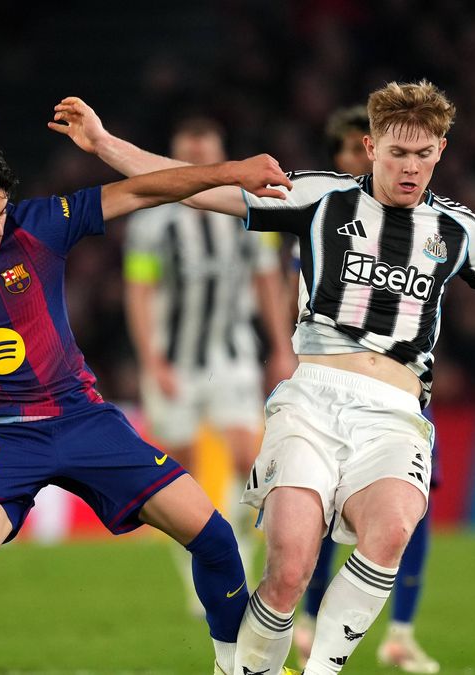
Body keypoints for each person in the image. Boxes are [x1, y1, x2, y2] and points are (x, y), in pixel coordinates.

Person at [48, 79, 475, 675]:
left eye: (423, 154)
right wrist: (106, 143)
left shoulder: (458, 229)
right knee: (290, 568)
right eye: (397, 152)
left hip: (397, 410)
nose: (410, 167)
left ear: (441, 151)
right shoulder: (321, 197)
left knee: (393, 528)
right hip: (314, 399)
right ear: (371, 147)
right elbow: (201, 189)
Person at [0, 133, 292, 675]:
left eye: (0, 213)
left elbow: (145, 190)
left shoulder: (39, 226)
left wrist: (231, 172)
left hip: (82, 419)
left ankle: (236, 668)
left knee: (215, 537)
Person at [288, 105, 439, 674]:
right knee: (323, 507)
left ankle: (400, 630)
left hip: (400, 393)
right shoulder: (321, 213)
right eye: (354, 149)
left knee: (409, 511)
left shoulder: (431, 224)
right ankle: (307, 619)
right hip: (329, 385)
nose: (363, 158)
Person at [124, 116, 296, 612]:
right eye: (188, 157)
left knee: (249, 459)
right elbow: (139, 292)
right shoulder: (151, 221)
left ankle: (238, 548)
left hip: (231, 354)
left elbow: (267, 281)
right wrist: (151, 360)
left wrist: (281, 348)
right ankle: (196, 566)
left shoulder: (247, 211)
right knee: (182, 474)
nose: (197, 164)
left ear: (221, 158)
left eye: (205, 156)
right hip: (173, 359)